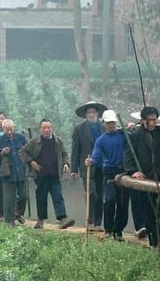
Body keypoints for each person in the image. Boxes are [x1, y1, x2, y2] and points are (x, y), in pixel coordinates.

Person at [125, 106, 160, 247]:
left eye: (155, 120)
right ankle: (154, 242)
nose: (153, 123)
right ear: (142, 121)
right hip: (146, 176)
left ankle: (158, 233)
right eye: (150, 120)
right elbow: (129, 157)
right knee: (149, 209)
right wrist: (132, 171)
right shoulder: (135, 135)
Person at [20, 118, 75, 230]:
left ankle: (62, 219)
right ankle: (40, 220)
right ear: (40, 129)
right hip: (40, 176)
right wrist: (31, 162)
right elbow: (22, 152)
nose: (46, 130)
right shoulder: (34, 142)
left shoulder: (58, 141)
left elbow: (65, 154)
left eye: (48, 128)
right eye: (44, 128)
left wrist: (66, 164)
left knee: (58, 196)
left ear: (51, 128)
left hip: (55, 175)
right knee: (41, 198)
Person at [87, 110, 128, 240]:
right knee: (110, 200)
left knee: (123, 204)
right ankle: (108, 230)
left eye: (113, 122)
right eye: (108, 123)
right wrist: (90, 161)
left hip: (124, 172)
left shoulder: (124, 136)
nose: (111, 125)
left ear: (116, 122)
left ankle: (118, 231)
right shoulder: (101, 140)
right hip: (109, 172)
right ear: (103, 123)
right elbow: (96, 158)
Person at [71, 101, 106, 232]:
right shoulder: (79, 129)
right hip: (87, 167)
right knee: (92, 193)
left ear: (97, 113)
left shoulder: (104, 127)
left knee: (101, 195)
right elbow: (75, 150)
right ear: (85, 115)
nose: (91, 114)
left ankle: (98, 223)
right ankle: (90, 221)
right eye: (89, 112)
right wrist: (74, 169)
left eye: (93, 112)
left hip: (102, 166)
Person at [0, 119, 28, 226]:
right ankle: (9, 220)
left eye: (10, 129)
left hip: (21, 171)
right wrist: (1, 153)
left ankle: (18, 213)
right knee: (9, 198)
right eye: (6, 130)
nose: (9, 132)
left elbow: (28, 151)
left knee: (24, 195)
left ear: (14, 128)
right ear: (3, 129)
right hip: (8, 172)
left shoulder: (21, 138)